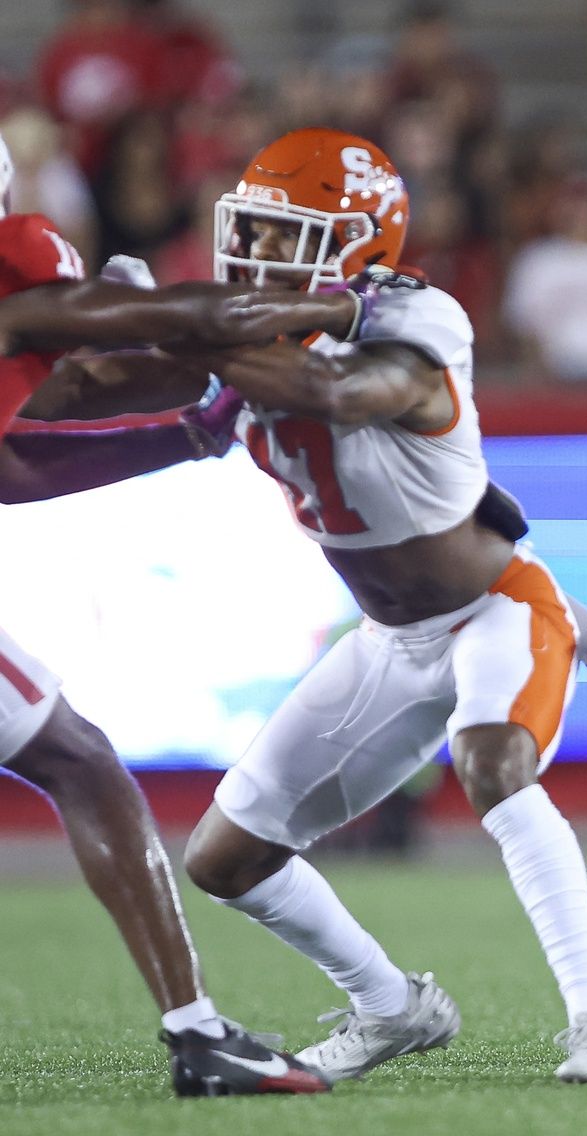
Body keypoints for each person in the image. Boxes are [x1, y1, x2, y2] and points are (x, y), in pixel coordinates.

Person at [63, 127, 587, 1085]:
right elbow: (88, 391)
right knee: (223, 857)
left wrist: (177, 324)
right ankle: (392, 1005)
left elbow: (338, 390)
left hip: (496, 603)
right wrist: (87, 326)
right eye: (248, 229)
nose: (254, 255)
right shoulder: (241, 330)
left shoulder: (416, 317)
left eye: (283, 235)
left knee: (493, 763)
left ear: (356, 248)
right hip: (392, 635)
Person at [0, 131, 339, 1096]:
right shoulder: (22, 277)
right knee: (84, 764)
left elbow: (16, 464)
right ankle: (199, 1034)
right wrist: (335, 303)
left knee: (79, 759)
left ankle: (200, 1033)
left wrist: (189, 431)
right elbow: (182, 317)